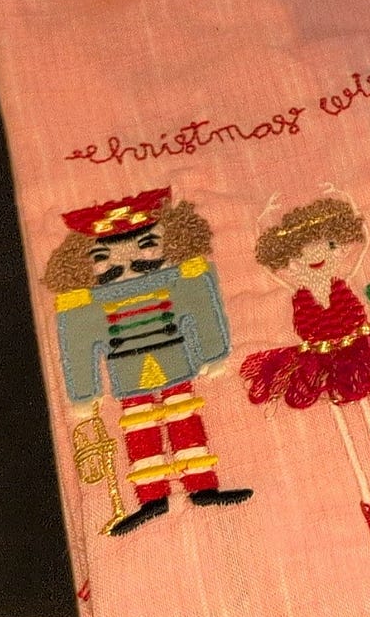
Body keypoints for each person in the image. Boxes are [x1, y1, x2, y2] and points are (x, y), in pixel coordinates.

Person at [42, 187, 253, 535]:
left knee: (184, 418)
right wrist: (84, 391)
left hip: (174, 363)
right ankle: (152, 497)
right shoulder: (85, 305)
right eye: (104, 257)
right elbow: (78, 343)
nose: (127, 263)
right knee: (141, 429)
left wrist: (212, 354)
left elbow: (200, 313)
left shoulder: (181, 281)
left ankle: (201, 486)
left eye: (147, 245)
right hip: (129, 374)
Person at [241, 195, 370, 542]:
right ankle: (366, 494)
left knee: (365, 407)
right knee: (341, 413)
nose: (315, 257)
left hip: (354, 350)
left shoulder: (340, 286)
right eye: (300, 255)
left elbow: (353, 313)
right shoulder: (301, 297)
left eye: (326, 245)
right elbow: (307, 324)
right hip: (322, 359)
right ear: (288, 262)